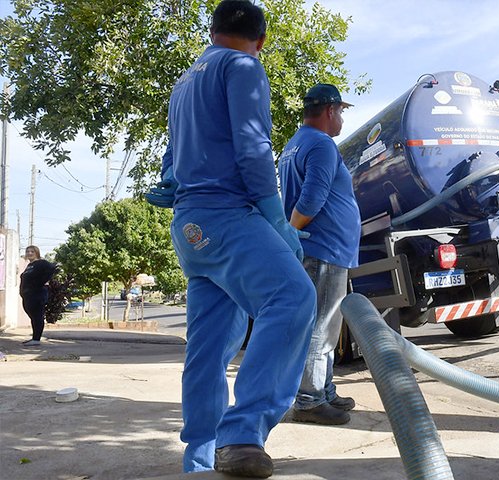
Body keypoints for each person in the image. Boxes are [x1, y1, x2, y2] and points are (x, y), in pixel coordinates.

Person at [145, 1, 316, 477]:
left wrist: (174, 180)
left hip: (191, 226)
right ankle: (242, 434)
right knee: (293, 297)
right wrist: (276, 218)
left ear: (212, 31)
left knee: (211, 342)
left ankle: (199, 458)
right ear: (261, 41)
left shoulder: (184, 83)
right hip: (227, 215)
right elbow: (253, 146)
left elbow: (172, 155)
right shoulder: (243, 66)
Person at [278, 84, 361, 425]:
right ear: (329, 110)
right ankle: (310, 400)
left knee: (327, 325)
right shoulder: (322, 144)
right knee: (321, 327)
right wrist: (291, 232)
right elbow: (312, 198)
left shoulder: (293, 145)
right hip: (323, 248)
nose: (341, 118)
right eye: (340, 111)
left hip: (320, 248)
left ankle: (324, 390)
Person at [19, 245, 57, 346]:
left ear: (37, 253)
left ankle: (36, 339)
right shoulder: (30, 265)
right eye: (28, 251)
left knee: (37, 316)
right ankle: (34, 338)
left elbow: (52, 267)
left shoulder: (41, 263)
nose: (29, 253)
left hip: (37, 295)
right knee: (33, 317)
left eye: (32, 251)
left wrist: (42, 282)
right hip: (28, 295)